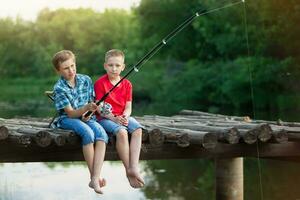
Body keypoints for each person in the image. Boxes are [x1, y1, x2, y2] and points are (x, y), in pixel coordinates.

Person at [52, 50, 108, 194]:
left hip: (86, 117)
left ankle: (95, 177)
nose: (71, 70)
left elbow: (92, 102)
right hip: (67, 119)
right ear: (58, 70)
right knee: (88, 133)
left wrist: (91, 111)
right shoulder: (59, 88)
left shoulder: (86, 80)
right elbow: (70, 113)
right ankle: (94, 177)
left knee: (102, 134)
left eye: (72, 66)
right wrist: (85, 108)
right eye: (66, 68)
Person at [94, 49, 145, 188]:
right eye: (110, 65)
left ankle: (134, 166)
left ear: (123, 67)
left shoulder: (127, 84)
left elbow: (128, 107)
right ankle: (128, 170)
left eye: (117, 65)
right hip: (105, 118)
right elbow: (99, 107)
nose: (114, 68)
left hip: (122, 116)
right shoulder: (100, 83)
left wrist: (125, 116)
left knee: (138, 129)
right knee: (122, 132)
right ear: (105, 66)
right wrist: (114, 118)